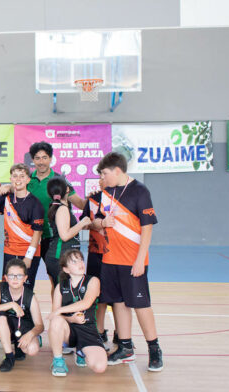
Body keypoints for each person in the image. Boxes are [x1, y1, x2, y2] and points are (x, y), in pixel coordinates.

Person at [93, 152, 162, 371]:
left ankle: (154, 349)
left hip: (133, 260)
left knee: (140, 305)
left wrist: (140, 260)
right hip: (110, 258)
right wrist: (102, 223)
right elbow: (96, 221)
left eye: (105, 173)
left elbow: (147, 227)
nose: (102, 177)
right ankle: (125, 348)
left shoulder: (139, 191)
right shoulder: (106, 192)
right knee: (118, 303)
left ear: (117, 170)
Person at [47, 249, 107, 377]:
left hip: (88, 329)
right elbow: (55, 316)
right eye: (74, 261)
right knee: (56, 321)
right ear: (66, 269)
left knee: (100, 367)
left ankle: (81, 352)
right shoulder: (60, 287)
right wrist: (71, 319)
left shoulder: (93, 281)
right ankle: (58, 361)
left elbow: (86, 303)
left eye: (81, 260)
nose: (80, 263)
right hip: (69, 331)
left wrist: (60, 310)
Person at [26, 142, 85, 269]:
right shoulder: (27, 180)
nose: (41, 162)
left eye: (44, 157)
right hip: (33, 237)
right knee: (28, 274)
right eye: (37, 158)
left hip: (54, 238)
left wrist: (95, 198)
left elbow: (80, 204)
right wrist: (7, 187)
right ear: (33, 160)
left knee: (55, 275)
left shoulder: (60, 181)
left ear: (51, 159)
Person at [0, 259, 44, 372]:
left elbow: (40, 325)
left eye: (19, 276)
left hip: (23, 327)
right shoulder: (0, 288)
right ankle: (9, 357)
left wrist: (30, 334)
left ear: (25, 278)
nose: (14, 279)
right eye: (11, 275)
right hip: (5, 326)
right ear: (6, 277)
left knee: (32, 349)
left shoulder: (30, 296)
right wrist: (11, 304)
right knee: (1, 317)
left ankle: (20, 346)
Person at [44, 176, 91, 291]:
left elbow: (66, 230)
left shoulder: (60, 206)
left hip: (62, 257)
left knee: (62, 292)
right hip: (60, 257)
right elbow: (64, 236)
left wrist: (81, 227)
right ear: (68, 190)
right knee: (63, 293)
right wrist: (82, 223)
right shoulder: (62, 209)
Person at [2, 164, 45, 289]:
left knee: (26, 290)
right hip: (9, 252)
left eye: (22, 176)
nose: (18, 179)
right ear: (10, 179)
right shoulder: (6, 198)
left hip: (28, 254)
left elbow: (37, 233)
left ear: (28, 180)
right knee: (6, 288)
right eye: (15, 176)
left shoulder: (35, 203)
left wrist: (29, 257)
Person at [82, 179, 112, 347]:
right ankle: (99, 331)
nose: (103, 179)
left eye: (105, 174)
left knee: (119, 298)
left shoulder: (122, 200)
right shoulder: (93, 199)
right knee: (97, 294)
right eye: (101, 175)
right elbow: (84, 222)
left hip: (116, 254)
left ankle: (121, 335)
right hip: (95, 253)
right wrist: (95, 224)